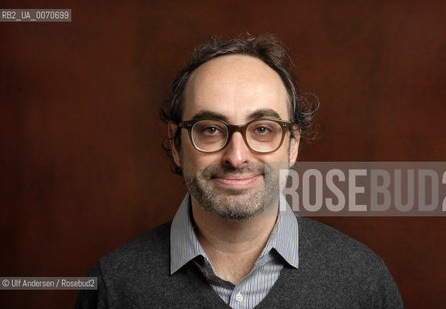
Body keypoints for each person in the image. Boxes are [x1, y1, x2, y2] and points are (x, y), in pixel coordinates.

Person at [76, 34, 404, 308]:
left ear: (292, 145)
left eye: (262, 129)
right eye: (210, 129)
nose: (236, 156)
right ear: (176, 145)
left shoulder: (363, 282)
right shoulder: (112, 288)